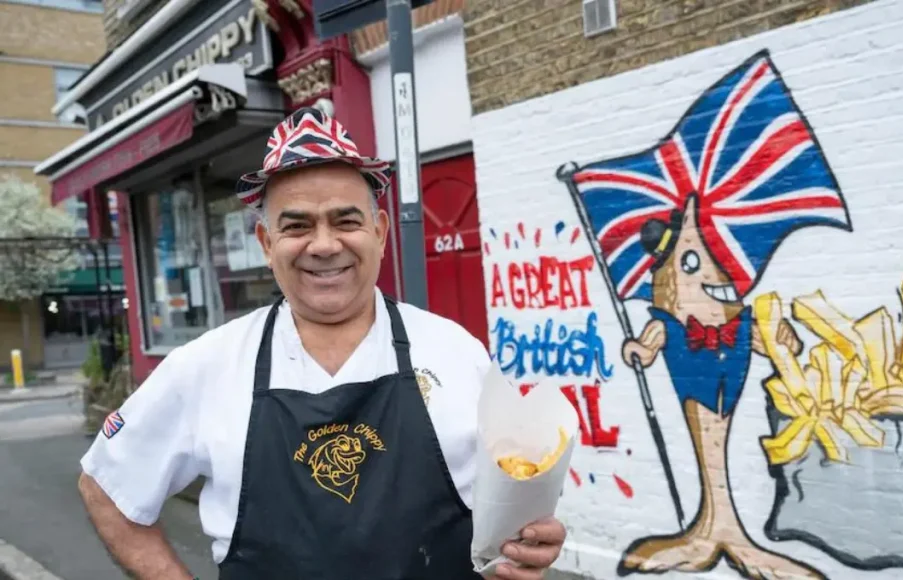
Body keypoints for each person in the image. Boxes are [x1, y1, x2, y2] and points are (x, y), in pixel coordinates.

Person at [77, 107, 566, 579]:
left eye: (346, 221)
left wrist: (524, 549)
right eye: (297, 226)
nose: (325, 244)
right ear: (267, 245)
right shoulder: (208, 365)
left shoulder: (455, 352)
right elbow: (106, 486)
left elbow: (511, 506)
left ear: (379, 231)